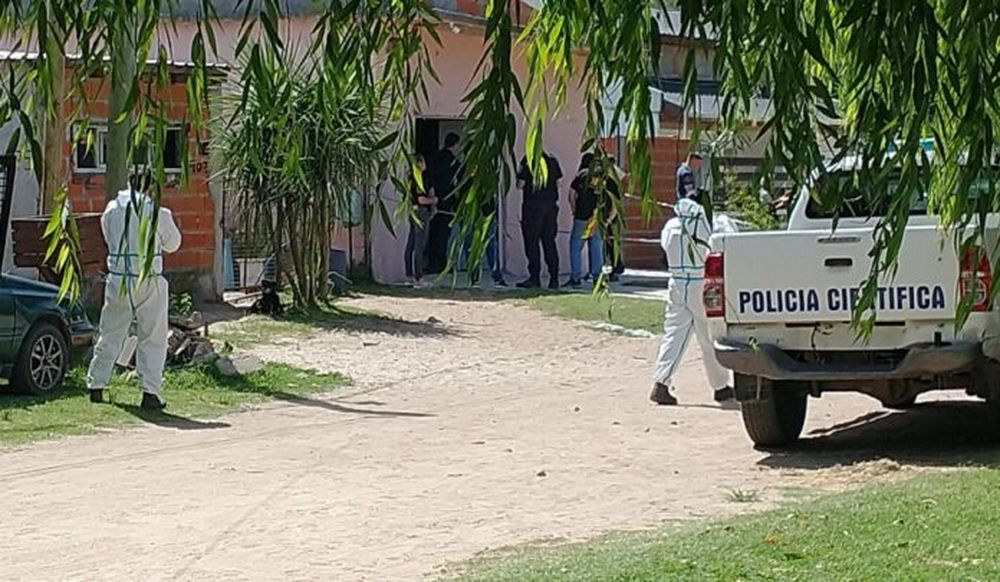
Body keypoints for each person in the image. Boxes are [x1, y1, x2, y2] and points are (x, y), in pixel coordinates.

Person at [87, 172, 182, 410]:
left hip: (118, 278)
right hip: (148, 277)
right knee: (152, 336)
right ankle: (150, 392)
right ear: (151, 188)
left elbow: (108, 237)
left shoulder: (111, 209)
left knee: (110, 331)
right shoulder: (158, 212)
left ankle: (96, 384)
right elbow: (173, 244)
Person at [650, 182, 734, 406]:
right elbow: (726, 239)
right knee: (709, 336)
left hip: (676, 283)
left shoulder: (671, 226)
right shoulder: (710, 224)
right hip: (700, 283)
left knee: (674, 334)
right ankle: (720, 387)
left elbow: (665, 246)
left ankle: (661, 382)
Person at [567, 153, 618, 287]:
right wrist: (608, 220)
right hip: (598, 220)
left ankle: (575, 277)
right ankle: (597, 278)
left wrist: (574, 210)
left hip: (582, 218)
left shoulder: (582, 175)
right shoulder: (608, 180)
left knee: (575, 247)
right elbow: (615, 204)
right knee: (596, 248)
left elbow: (571, 194)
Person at [516, 151, 562, 289]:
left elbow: (520, 184)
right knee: (549, 242)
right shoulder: (553, 161)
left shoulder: (528, 160)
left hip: (532, 206)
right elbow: (559, 183)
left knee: (532, 242)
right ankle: (554, 278)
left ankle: (534, 277)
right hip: (550, 207)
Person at [404, 155, 437, 286]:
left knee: (411, 243)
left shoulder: (409, 179)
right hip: (420, 211)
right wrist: (434, 201)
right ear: (418, 163)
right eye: (423, 161)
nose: (425, 163)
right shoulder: (418, 180)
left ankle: (409, 275)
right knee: (419, 244)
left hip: (412, 211)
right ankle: (418, 276)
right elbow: (421, 199)